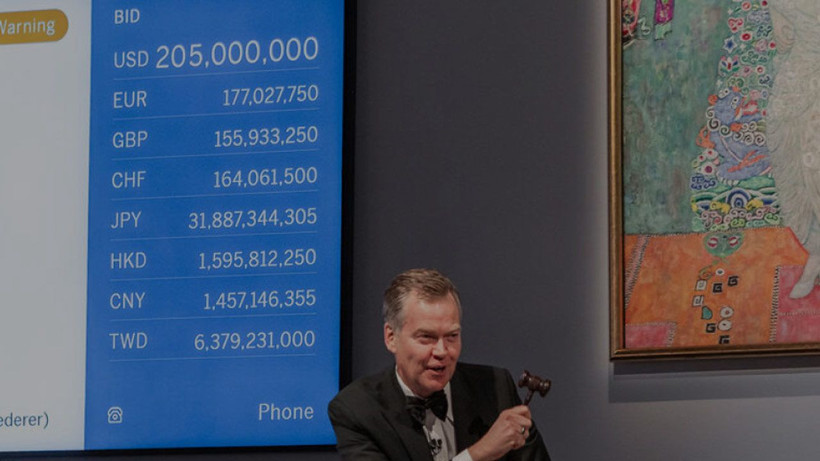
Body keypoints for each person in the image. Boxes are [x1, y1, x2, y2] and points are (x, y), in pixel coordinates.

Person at [328, 268, 550, 460]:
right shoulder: (357, 410)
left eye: (452, 336)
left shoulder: (495, 388)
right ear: (391, 337)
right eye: (426, 337)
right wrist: (477, 455)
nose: (442, 351)